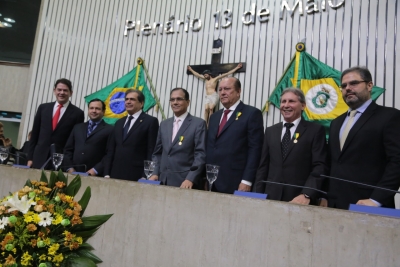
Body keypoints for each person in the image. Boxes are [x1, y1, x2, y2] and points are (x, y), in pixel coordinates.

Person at [327, 66, 400, 209]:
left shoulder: (390, 117)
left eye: (353, 83)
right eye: (343, 85)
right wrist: (324, 196)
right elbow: (332, 162)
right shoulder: (336, 123)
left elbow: (397, 162)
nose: (347, 88)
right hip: (334, 205)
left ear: (369, 85)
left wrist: (376, 199)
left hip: (370, 205)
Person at [254, 88, 328, 205]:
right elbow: (263, 166)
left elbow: (319, 166)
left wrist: (307, 194)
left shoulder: (315, 131)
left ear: (303, 105)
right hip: (270, 198)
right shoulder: (270, 131)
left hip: (299, 199)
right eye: (283, 102)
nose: (286, 105)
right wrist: (258, 193)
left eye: (291, 101)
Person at [206, 77, 264, 194]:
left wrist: (247, 180)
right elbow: (211, 147)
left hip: (236, 181)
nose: (222, 93)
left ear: (238, 91)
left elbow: (255, 150)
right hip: (211, 181)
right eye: (220, 89)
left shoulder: (251, 114)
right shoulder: (214, 117)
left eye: (227, 89)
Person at [150, 88, 206, 189]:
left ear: (188, 102)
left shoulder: (198, 124)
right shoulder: (164, 124)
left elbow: (200, 154)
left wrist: (190, 178)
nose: (175, 102)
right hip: (162, 180)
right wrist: (154, 173)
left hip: (185, 183)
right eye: (172, 99)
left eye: (179, 99)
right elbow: (157, 153)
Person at [27, 78, 84, 169]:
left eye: (65, 90)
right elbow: (35, 135)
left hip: (61, 161)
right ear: (54, 91)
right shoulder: (43, 108)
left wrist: (70, 164)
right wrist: (30, 158)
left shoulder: (78, 113)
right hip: (39, 158)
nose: (61, 93)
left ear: (71, 93)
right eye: (59, 90)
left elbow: (75, 140)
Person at [103, 89, 159, 181]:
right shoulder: (119, 123)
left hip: (137, 175)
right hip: (115, 174)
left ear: (141, 103)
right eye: (126, 99)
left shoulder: (150, 121)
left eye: (132, 99)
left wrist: (146, 175)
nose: (128, 102)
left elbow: (151, 151)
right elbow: (111, 150)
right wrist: (106, 173)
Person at [63, 99, 113, 176]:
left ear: (103, 111)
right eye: (91, 108)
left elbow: (109, 154)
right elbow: (68, 150)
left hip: (95, 175)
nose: (94, 111)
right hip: (73, 173)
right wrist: (69, 168)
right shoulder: (77, 127)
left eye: (97, 108)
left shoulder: (110, 130)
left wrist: (95, 170)